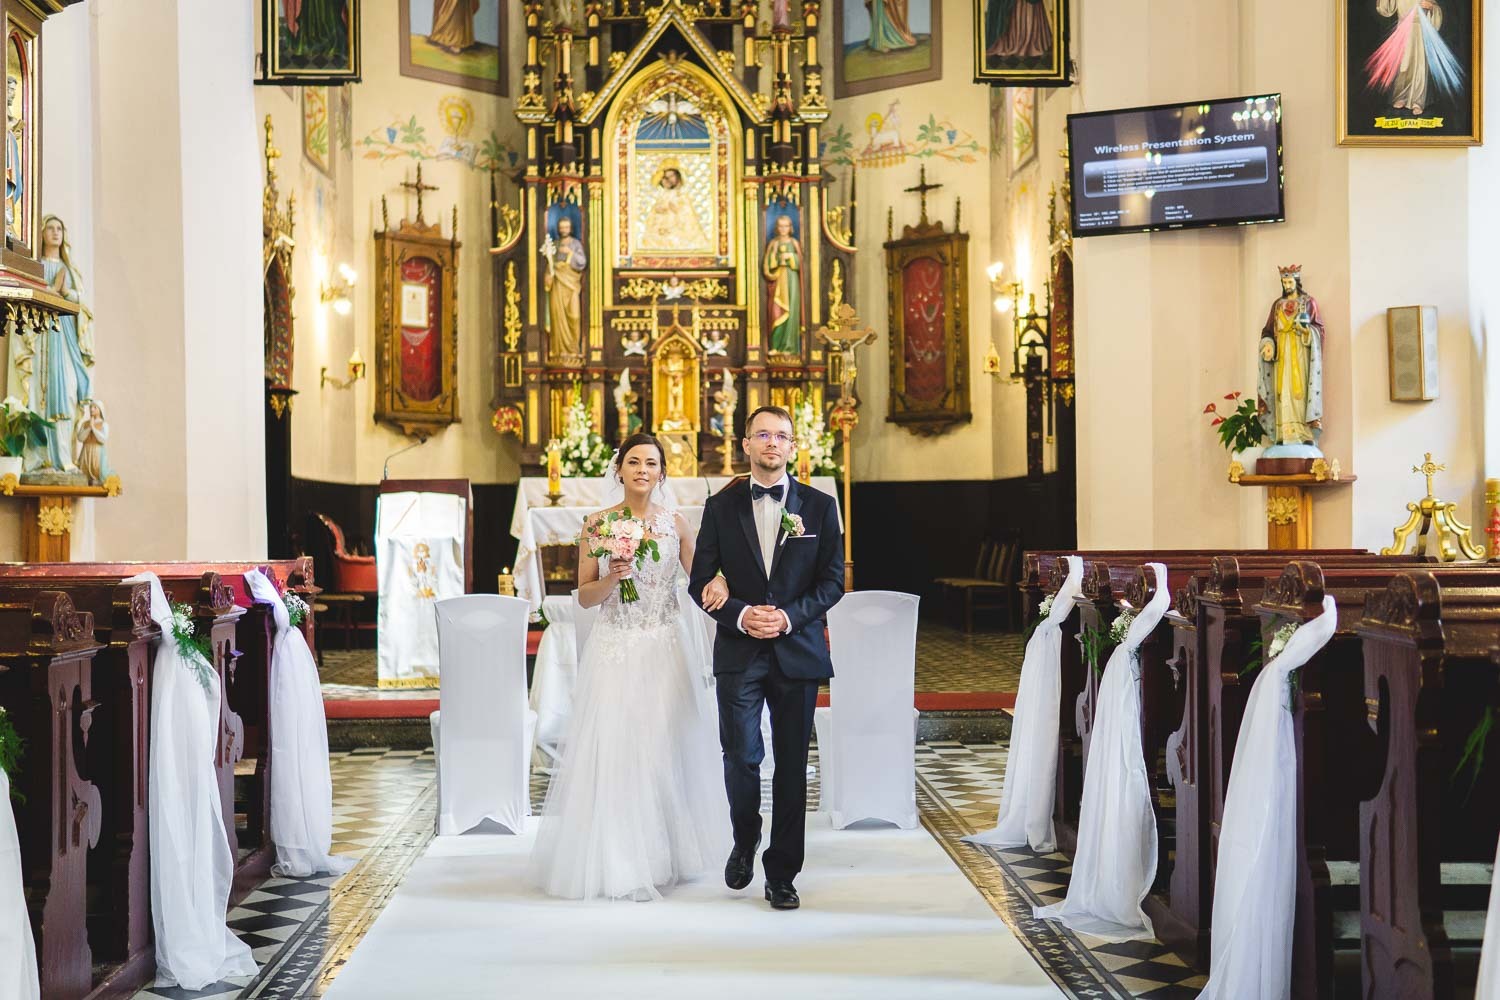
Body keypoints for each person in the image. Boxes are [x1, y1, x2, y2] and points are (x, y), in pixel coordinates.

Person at [529, 433, 731, 901]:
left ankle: (666, 854)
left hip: (665, 645)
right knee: (618, 747)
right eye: (634, 462)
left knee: (661, 745)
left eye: (651, 463)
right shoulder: (597, 525)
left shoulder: (676, 524)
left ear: (662, 472)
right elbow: (584, 596)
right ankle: (620, 859)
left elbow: (701, 579)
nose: (643, 470)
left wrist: (722, 585)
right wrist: (612, 579)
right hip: (616, 646)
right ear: (619, 469)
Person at [689, 406, 845, 911]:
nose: (772, 443)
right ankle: (745, 837)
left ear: (793, 447)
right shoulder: (721, 506)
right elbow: (700, 581)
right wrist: (740, 615)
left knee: (792, 766)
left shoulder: (820, 507)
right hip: (739, 651)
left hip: (797, 650)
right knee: (740, 755)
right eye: (762, 435)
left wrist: (787, 617)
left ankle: (782, 874)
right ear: (746, 445)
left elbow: (832, 583)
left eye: (781, 436)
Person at [640, 163, 710, 253]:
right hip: (661, 233)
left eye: (671, 176)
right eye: (666, 177)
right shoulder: (662, 197)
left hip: (678, 234)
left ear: (678, 177)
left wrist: (676, 211)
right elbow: (652, 218)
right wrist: (657, 211)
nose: (668, 179)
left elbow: (689, 218)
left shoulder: (681, 196)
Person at [543, 215, 585, 359]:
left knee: (574, 316)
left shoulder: (576, 244)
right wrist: (548, 275)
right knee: (557, 318)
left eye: (566, 227)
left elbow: (582, 263)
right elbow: (550, 265)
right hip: (558, 286)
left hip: (571, 285)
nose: (564, 230)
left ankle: (573, 349)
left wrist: (570, 253)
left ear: (570, 228)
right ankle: (558, 351)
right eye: (562, 228)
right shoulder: (554, 245)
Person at [763, 214, 803, 355]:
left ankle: (789, 347)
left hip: (792, 280)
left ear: (790, 228)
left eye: (786, 226)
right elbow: (768, 264)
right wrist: (777, 258)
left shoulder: (794, 243)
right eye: (781, 226)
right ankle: (776, 346)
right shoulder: (773, 243)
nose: (783, 229)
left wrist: (791, 257)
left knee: (791, 311)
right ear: (777, 228)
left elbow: (801, 263)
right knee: (776, 310)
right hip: (778, 279)